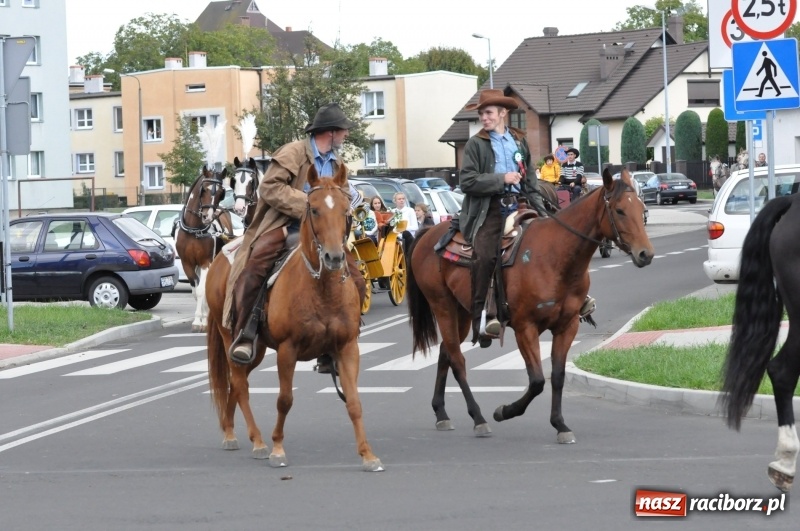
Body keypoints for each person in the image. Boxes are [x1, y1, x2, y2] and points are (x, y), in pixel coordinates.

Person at [223, 103, 365, 372]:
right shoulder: (293, 152)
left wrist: (346, 203)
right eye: (344, 130)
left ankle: (338, 341)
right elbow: (270, 187)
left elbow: (343, 192)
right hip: (284, 224)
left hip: (324, 233)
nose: (346, 135)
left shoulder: (337, 162)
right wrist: (310, 205)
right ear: (331, 132)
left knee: (356, 276)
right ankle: (246, 332)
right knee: (255, 266)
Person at [459, 88, 549, 346]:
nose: (483, 118)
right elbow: (467, 181)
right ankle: (481, 318)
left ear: (502, 113)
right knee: (486, 255)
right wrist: (502, 179)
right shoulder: (477, 144)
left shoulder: (518, 141)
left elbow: (530, 177)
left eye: (488, 113)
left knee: (552, 240)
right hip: (489, 209)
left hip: (521, 203)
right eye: (481, 114)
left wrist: (541, 209)